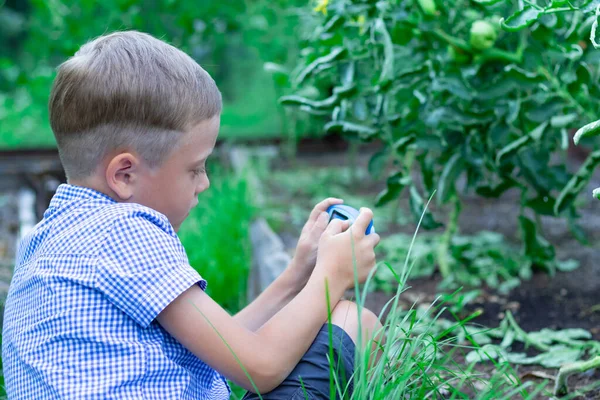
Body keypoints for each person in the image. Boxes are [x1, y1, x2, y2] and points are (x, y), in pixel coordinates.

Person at [2, 30, 383, 400]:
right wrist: (332, 277)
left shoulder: (47, 239)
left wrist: (297, 274)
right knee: (354, 321)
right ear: (124, 174)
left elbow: (223, 349)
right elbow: (259, 367)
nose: (205, 183)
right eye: (195, 168)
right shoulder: (125, 231)